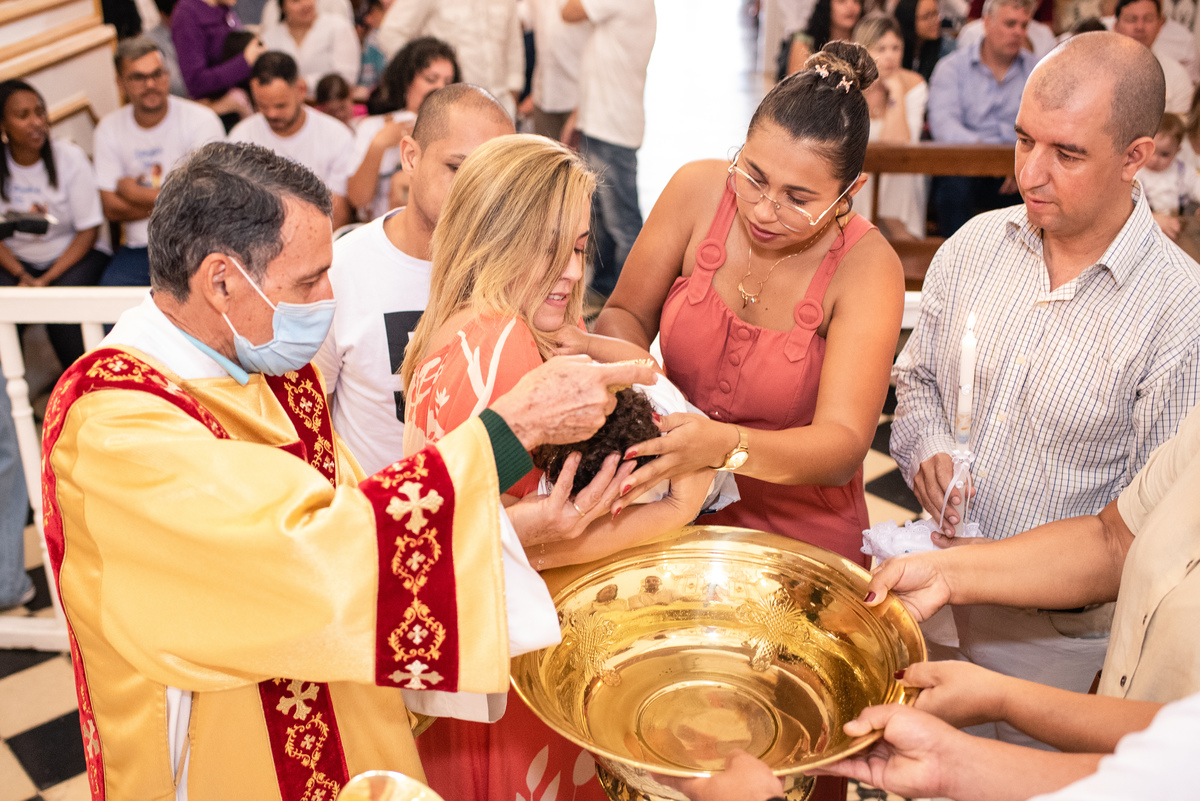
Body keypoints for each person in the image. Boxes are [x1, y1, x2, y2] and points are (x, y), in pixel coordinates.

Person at [42, 139, 656, 801]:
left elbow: (357, 508)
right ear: (221, 280)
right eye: (307, 281)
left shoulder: (271, 368)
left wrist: (519, 524)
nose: (328, 299)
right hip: (224, 751)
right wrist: (513, 432)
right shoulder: (114, 425)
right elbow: (303, 562)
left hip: (342, 710)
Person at [890, 31, 1200, 748]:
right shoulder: (975, 245)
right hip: (936, 593)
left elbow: (1139, 538)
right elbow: (920, 382)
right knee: (929, 769)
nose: (1031, 174)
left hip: (1064, 644)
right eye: (1024, 140)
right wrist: (930, 444)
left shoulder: (1179, 313)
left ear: (1135, 158)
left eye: (1066, 153)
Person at [398, 133, 711, 801]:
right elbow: (535, 541)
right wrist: (676, 508)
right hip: (519, 673)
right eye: (547, 247)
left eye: (576, 246)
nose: (572, 271)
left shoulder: (443, 331)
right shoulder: (507, 342)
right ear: (495, 236)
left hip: (466, 666)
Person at [593, 43, 903, 568]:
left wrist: (723, 447)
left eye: (798, 199)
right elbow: (625, 314)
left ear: (850, 192)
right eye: (753, 175)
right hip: (668, 503)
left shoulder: (869, 269)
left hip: (800, 533)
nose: (763, 210)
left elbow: (843, 445)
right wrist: (642, 394)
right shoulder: (696, 191)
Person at [316, 84, 515, 477]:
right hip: (373, 516)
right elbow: (311, 413)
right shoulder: (342, 268)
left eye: (494, 174)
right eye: (458, 168)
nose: (476, 191)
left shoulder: (520, 269)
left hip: (487, 511)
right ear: (410, 157)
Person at [94, 37, 225, 287]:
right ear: (120, 84)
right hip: (138, 248)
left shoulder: (201, 121)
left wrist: (132, 192)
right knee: (108, 308)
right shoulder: (108, 129)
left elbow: (207, 201)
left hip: (195, 244)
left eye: (157, 74)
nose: (150, 84)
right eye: (138, 78)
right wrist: (180, 201)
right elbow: (111, 208)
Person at [0, 80, 108, 369]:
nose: (36, 122)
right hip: (17, 261)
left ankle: (79, 391)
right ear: (3, 125)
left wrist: (45, 281)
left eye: (39, 112)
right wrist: (22, 274)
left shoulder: (69, 158)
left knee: (63, 316)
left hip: (73, 255)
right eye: (23, 116)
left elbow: (89, 231)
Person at [560, 0, 657, 300]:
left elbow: (569, 11)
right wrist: (579, 116)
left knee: (623, 224)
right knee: (598, 217)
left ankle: (633, 300)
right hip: (599, 123)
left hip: (612, 129)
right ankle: (604, 289)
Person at [926, 0, 1035, 236]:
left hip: (1018, 169)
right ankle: (957, 264)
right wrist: (991, 157)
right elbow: (944, 125)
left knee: (1039, 184)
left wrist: (1019, 160)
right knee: (953, 186)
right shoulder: (952, 67)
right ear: (986, 23)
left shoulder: (1038, 70)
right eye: (1010, 24)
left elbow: (1045, 126)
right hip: (967, 165)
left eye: (1024, 25)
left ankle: (1023, 268)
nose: (1018, 32)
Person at [229, 52, 355, 228]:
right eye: (262, 106)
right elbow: (234, 208)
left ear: (301, 90)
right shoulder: (241, 136)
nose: (272, 114)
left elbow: (339, 212)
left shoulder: (337, 136)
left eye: (280, 105)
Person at [347, 37, 459, 220]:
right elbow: (358, 199)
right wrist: (379, 144)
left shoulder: (458, 130)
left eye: (448, 82)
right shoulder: (373, 127)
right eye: (431, 79)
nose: (440, 88)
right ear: (407, 81)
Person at [376, 0, 525, 118]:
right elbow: (391, 33)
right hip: (451, 108)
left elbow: (514, 48)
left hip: (501, 105)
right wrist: (424, 73)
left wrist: (512, 97)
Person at [853, 13, 929, 240]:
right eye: (881, 48)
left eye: (896, 48)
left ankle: (898, 233)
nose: (890, 56)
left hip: (901, 173)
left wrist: (895, 90)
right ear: (863, 50)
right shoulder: (849, 87)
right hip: (859, 176)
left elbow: (898, 146)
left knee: (897, 175)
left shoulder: (914, 85)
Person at [170, 0, 266, 102]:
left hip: (240, 95)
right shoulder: (186, 14)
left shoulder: (223, 7)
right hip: (217, 105)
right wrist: (244, 61)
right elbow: (196, 83)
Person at [260, 0, 361, 96]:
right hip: (283, 106)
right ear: (282, 7)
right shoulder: (269, 37)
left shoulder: (339, 27)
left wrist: (306, 83)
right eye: (296, 1)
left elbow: (347, 77)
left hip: (329, 104)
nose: (305, 4)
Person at [1111, 0, 1194, 114]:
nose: (1140, 27)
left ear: (1160, 25)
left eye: (1148, 19)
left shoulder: (1177, 76)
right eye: (1131, 19)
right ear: (1116, 26)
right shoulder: (1096, 71)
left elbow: (1178, 128)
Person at [526, 0, 591, 140]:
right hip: (543, 94)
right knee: (544, 159)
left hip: (578, 99)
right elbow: (526, 16)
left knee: (579, 159)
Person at [1137, 112, 1194, 242]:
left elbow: (1197, 185)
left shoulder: (1182, 171)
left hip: (1176, 228)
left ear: (1177, 151)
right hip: (1144, 229)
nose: (1155, 159)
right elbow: (1125, 207)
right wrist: (1151, 217)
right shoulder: (1137, 173)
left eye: (1164, 154)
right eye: (1151, 151)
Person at [782, 0, 864, 77]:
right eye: (841, 1)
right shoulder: (805, 44)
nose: (850, 6)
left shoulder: (864, 44)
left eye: (856, 1)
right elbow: (798, 87)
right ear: (826, 5)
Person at [895, 0, 955, 82]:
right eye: (927, 16)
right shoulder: (896, 46)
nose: (936, 20)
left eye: (936, 13)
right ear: (909, 20)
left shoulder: (947, 47)